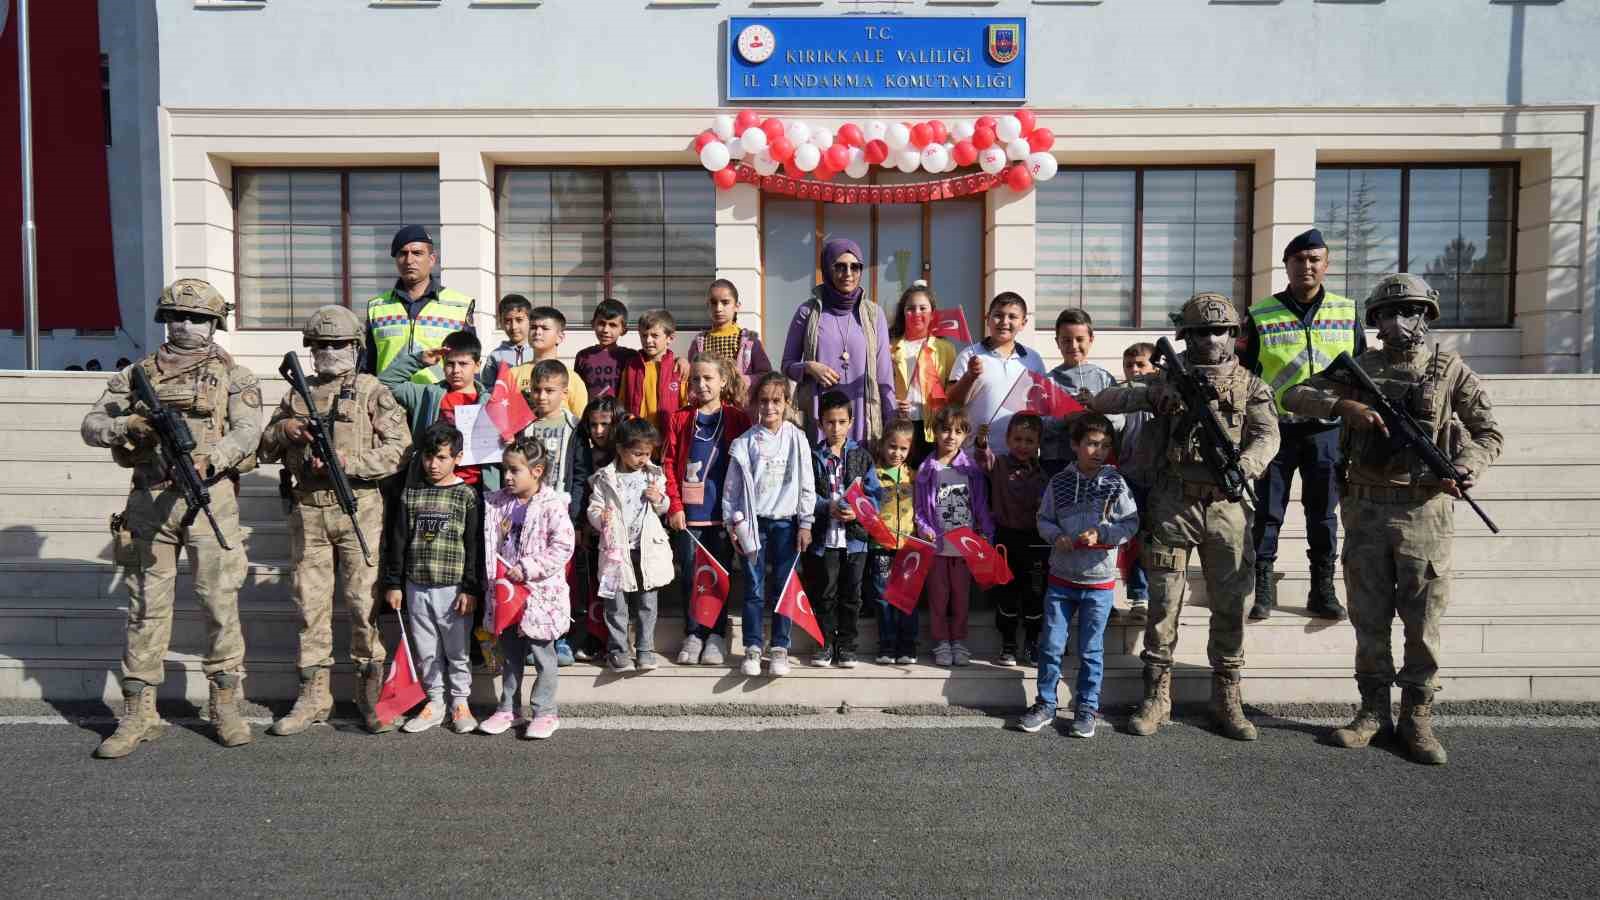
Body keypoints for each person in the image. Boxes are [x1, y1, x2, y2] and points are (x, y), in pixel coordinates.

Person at [1283, 273, 1502, 766]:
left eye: (1411, 311)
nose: (1399, 321)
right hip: (1364, 508)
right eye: (1388, 312)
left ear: (1427, 316)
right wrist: (1345, 406)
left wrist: (1466, 465)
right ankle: (1372, 711)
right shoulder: (1359, 368)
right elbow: (1294, 396)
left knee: (1423, 621)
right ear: (1375, 321)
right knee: (1369, 617)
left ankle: (1417, 717)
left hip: (1424, 510)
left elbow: (1488, 432)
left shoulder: (1449, 370)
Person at [80, 278, 262, 758]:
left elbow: (248, 432)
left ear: (214, 324)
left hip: (210, 498)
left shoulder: (236, 376)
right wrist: (127, 425)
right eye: (176, 316)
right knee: (144, 606)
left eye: (198, 318)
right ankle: (139, 713)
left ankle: (226, 703)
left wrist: (214, 457)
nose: (186, 325)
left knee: (219, 601)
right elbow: (91, 424)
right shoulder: (135, 374)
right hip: (150, 498)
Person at [1091, 292, 1280, 741]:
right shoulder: (1166, 380)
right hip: (1173, 502)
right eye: (1200, 332)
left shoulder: (1252, 385)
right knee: (1162, 604)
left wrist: (1245, 467)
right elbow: (1104, 399)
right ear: (1186, 338)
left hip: (1226, 507)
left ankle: (1226, 697)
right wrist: (1154, 392)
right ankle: (1157, 696)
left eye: (1219, 330)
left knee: (1231, 603)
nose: (1211, 339)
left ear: (1234, 335)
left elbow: (1267, 436)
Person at [260, 305, 412, 736]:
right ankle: (313, 696)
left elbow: (400, 449)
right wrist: (286, 430)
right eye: (321, 345)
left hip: (358, 509)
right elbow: (264, 447)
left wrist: (351, 462)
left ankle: (369, 695)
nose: (329, 351)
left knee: (363, 605)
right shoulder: (296, 394)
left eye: (339, 344)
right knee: (311, 606)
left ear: (356, 347)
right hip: (308, 509)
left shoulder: (370, 391)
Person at [1243, 228, 1365, 621]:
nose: (1307, 266)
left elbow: (1363, 370)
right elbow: (1244, 373)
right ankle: (1262, 589)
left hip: (1326, 430)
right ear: (1287, 266)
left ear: (1326, 266)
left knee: (1323, 514)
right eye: (1299, 260)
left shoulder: (1346, 312)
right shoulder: (1260, 314)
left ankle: (1322, 589)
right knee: (1267, 512)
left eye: (1315, 259)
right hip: (1275, 429)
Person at [1017, 413, 1139, 738]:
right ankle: (1044, 703)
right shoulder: (1058, 482)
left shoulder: (1116, 483)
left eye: (1105, 445)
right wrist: (1056, 536)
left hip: (1098, 583)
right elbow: (1043, 518)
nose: (1098, 451)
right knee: (1051, 645)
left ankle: (1086, 708)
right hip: (1060, 579)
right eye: (1092, 444)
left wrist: (1102, 535)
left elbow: (1130, 523)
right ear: (1075, 445)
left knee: (1090, 650)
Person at [382, 421, 486, 735]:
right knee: (426, 650)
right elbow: (397, 540)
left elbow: (473, 545)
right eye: (429, 457)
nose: (433, 464)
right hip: (416, 586)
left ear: (458, 457)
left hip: (453, 589)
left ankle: (460, 702)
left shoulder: (466, 496)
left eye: (442, 457)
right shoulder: (410, 495)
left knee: (457, 650)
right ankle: (435, 701)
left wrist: (470, 587)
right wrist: (393, 583)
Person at [478, 437, 574, 740]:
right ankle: (508, 708)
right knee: (510, 654)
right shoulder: (496, 503)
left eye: (514, 470)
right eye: (505, 469)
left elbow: (563, 546)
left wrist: (530, 568)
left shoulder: (552, 505)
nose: (507, 476)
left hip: (539, 596)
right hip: (507, 595)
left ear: (537, 471)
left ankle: (545, 711)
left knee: (543, 655)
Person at [725, 372, 816, 677]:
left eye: (776, 401)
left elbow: (807, 483)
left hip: (786, 525)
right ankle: (752, 646)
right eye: (763, 401)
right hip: (753, 525)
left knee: (783, 586)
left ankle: (780, 647)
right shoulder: (745, 442)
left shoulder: (797, 438)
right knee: (753, 588)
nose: (769, 407)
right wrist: (732, 524)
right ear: (755, 404)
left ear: (787, 403)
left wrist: (806, 523)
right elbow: (732, 489)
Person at [662, 353, 751, 667]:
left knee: (721, 575)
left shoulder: (738, 418)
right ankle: (694, 632)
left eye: (709, 378)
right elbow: (669, 464)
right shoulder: (681, 418)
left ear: (723, 381)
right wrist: (674, 506)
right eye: (696, 378)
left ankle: (715, 634)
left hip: (723, 514)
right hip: (689, 515)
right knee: (690, 574)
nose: (701, 384)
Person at [781, 238, 896, 443]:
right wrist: (809, 367)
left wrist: (891, 422)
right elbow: (787, 366)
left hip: (862, 418)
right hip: (820, 419)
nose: (848, 274)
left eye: (855, 267)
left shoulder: (874, 314)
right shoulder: (808, 312)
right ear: (827, 268)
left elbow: (885, 378)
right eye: (840, 266)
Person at [520, 359, 593, 666]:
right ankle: (530, 637)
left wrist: (576, 519)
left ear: (564, 392)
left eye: (549, 390)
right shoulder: (524, 427)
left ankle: (560, 638)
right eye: (536, 390)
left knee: (561, 579)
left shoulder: (574, 427)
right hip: (528, 514)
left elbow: (580, 474)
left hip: (560, 514)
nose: (541, 396)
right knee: (531, 575)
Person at [586, 416, 673, 673]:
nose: (643, 459)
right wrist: (599, 518)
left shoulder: (654, 475)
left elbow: (664, 507)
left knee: (647, 601)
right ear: (621, 450)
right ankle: (619, 649)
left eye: (647, 453)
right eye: (637, 453)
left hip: (647, 549)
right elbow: (594, 506)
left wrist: (659, 499)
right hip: (616, 551)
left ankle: (645, 649)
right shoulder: (605, 478)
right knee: (616, 602)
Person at [804, 390, 883, 668]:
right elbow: (805, 494)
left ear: (851, 422)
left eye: (841, 422)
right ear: (820, 423)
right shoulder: (812, 456)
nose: (835, 428)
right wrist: (827, 506)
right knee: (824, 592)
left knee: (852, 594)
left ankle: (847, 645)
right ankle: (824, 644)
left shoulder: (862, 456)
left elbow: (875, 495)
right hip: (824, 539)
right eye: (829, 422)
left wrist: (858, 509)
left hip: (855, 541)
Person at [914, 403, 995, 668]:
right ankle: (940, 642)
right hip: (937, 547)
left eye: (958, 431)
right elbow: (920, 509)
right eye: (945, 430)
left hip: (964, 547)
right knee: (939, 596)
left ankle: (958, 641)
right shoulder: (927, 470)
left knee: (961, 596)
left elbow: (981, 505)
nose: (951, 436)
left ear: (966, 436)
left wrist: (986, 535)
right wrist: (924, 529)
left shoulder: (971, 469)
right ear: (935, 432)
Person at [379, 330, 504, 491]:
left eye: (463, 364)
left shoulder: (492, 402)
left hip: (479, 486)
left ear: (477, 366)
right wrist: (420, 360)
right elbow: (385, 382)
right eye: (450, 363)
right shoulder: (426, 395)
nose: (456, 370)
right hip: (433, 485)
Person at [363, 225, 475, 384]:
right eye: (403, 253)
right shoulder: (377, 307)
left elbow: (470, 363)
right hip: (388, 402)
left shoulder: (459, 306)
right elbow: (368, 366)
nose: (409, 260)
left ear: (432, 259)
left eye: (417, 253)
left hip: (437, 402)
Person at [984, 412, 1050, 667]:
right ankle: (1008, 643)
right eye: (1018, 439)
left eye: (1029, 441)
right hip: (1005, 539)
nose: (1023, 446)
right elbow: (983, 459)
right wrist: (981, 444)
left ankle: (1032, 642)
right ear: (1008, 440)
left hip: (1035, 541)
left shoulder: (1044, 475)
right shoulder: (998, 464)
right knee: (1006, 593)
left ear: (1038, 444)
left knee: (1034, 594)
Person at [945, 292, 1047, 451]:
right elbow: (952, 404)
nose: (1005, 322)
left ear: (1023, 323)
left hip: (1019, 459)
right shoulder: (969, 355)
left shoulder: (1033, 359)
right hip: (975, 456)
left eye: (1012, 317)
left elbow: (1041, 408)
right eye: (998, 315)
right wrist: (969, 377)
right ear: (987, 319)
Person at [1110, 342, 1158, 627]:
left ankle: (1149, 595)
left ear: (1155, 368)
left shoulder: (1165, 397)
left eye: (1140, 364)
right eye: (1129, 365)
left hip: (1159, 479)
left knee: (1154, 539)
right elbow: (1112, 423)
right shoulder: (1122, 398)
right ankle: (1131, 594)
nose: (1134, 370)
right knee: (1129, 537)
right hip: (1128, 477)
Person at [888, 281, 961, 467]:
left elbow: (951, 391)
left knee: (930, 477)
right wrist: (892, 402)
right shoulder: (890, 345)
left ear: (932, 313)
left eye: (923, 308)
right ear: (903, 313)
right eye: (910, 308)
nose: (917, 313)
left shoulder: (945, 348)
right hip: (901, 425)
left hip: (933, 426)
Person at [865, 418, 919, 665]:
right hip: (880, 547)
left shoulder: (914, 476)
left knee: (906, 597)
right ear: (882, 445)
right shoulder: (873, 475)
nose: (896, 453)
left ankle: (907, 646)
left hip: (908, 547)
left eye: (903, 449)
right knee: (883, 596)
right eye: (892, 447)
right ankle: (886, 646)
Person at [574, 396, 623, 662]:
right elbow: (581, 488)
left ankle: (618, 639)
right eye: (593, 425)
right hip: (594, 531)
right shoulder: (585, 453)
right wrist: (582, 522)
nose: (599, 431)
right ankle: (596, 637)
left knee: (618, 589)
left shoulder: (626, 454)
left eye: (605, 424)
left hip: (623, 536)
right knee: (594, 585)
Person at [1041, 309, 1120, 467]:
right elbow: (1040, 425)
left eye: (1080, 339)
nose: (1074, 346)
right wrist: (1066, 417)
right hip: (1057, 462)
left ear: (1091, 339)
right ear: (1057, 342)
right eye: (1066, 340)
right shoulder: (1048, 381)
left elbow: (1120, 421)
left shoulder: (1103, 378)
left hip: (1097, 463)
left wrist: (1096, 409)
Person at [686, 279, 772, 390]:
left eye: (725, 302)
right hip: (708, 405)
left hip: (741, 405)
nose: (718, 308)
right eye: (713, 303)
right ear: (708, 306)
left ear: (737, 306)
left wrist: (743, 381)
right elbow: (691, 375)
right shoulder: (700, 342)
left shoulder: (749, 341)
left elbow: (765, 375)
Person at [508, 306, 587, 418]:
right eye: (533, 327)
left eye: (545, 328)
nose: (538, 332)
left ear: (560, 337)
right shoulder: (512, 374)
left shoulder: (572, 379)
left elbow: (581, 421)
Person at [619, 308, 683, 440]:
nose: (648, 340)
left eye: (655, 336)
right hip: (637, 441)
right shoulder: (631, 367)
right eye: (644, 335)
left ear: (669, 338)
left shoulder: (678, 369)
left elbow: (686, 407)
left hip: (668, 442)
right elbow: (622, 402)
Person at [574, 298, 638, 401]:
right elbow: (577, 392)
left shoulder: (631, 356)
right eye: (601, 323)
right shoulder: (583, 356)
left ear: (623, 330)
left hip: (621, 416)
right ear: (593, 324)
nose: (605, 330)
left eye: (613, 325)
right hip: (592, 415)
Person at [487, 294, 536, 373]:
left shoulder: (539, 352)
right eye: (507, 321)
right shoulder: (495, 356)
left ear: (530, 320)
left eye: (519, 320)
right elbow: (488, 385)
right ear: (501, 322)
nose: (514, 327)